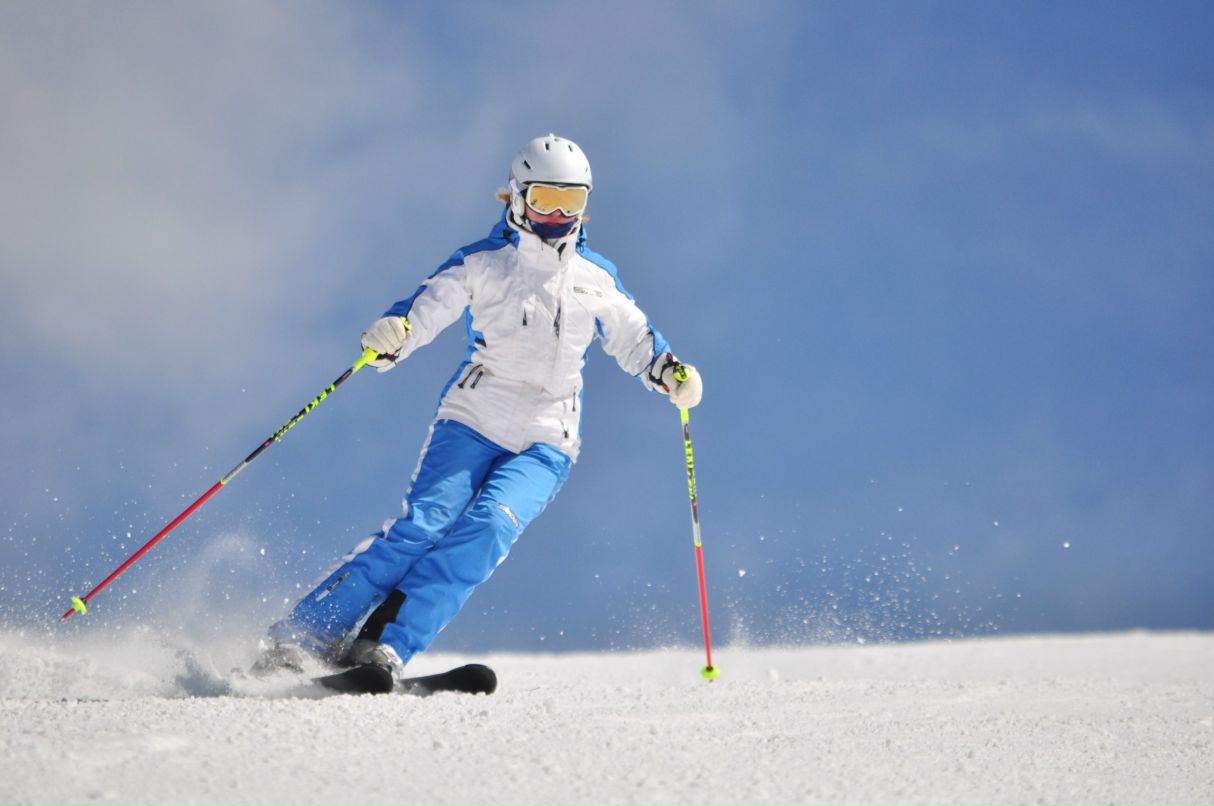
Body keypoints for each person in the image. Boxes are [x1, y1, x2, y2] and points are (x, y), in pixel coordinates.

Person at [256, 134, 703, 684]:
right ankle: (302, 638)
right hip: (473, 418)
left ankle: (384, 645)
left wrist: (669, 372)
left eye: (572, 203)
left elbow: (638, 341)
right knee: (422, 528)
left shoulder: (596, 277)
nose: (558, 215)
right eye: (545, 199)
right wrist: (396, 333)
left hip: (547, 438)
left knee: (490, 527)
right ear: (516, 197)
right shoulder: (484, 263)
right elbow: (425, 308)